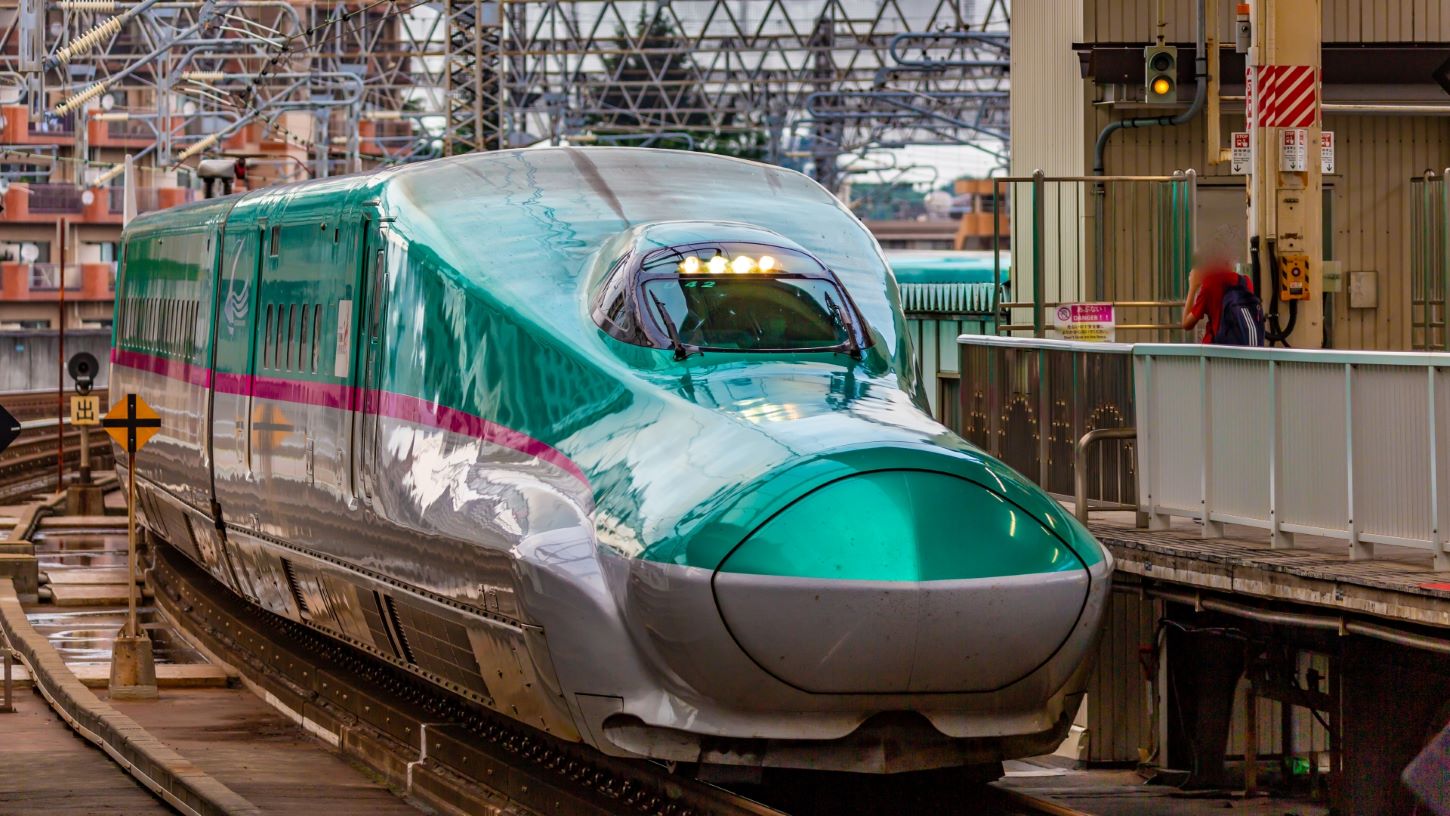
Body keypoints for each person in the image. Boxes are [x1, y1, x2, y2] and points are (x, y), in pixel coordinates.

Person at [1181, 254, 1264, 346]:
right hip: (1244, 346)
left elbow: (1187, 323)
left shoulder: (1210, 284)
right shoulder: (1246, 282)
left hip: (1216, 350)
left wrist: (1193, 287)